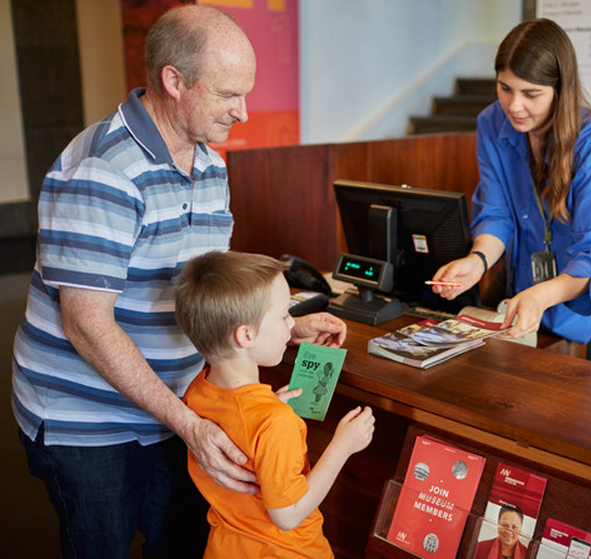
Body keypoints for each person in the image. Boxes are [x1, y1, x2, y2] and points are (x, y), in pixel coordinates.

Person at [11, 5, 345, 557]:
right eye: (228, 94)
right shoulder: (105, 170)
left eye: (246, 93)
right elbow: (87, 324)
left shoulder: (210, 165)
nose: (243, 112)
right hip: (91, 420)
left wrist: (281, 326)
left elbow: (214, 292)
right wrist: (189, 425)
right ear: (174, 81)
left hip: (179, 406)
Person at [432, 19, 591, 360]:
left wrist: (542, 295)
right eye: (505, 88)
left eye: (531, 94)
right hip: (519, 279)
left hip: (574, 294)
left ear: (560, 89)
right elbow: (496, 214)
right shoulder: (491, 123)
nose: (514, 106)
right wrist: (477, 261)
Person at [175, 250, 375, 558]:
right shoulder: (275, 421)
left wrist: (269, 405)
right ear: (246, 335)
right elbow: (288, 515)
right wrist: (342, 446)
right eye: (284, 315)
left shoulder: (197, 390)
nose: (292, 323)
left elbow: (241, 425)